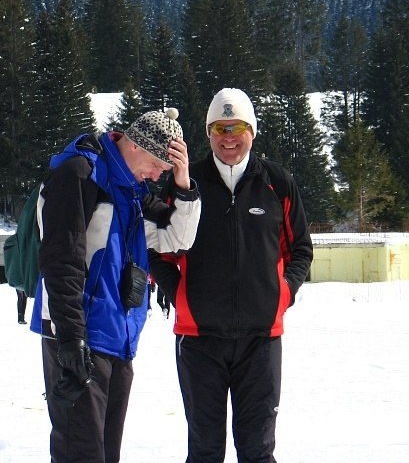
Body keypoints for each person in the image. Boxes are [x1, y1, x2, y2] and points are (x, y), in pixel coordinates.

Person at [150, 88, 313, 463]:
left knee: (258, 451)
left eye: (236, 127)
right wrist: (181, 295)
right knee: (205, 451)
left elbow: (300, 249)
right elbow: (157, 248)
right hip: (199, 341)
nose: (228, 137)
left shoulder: (277, 183)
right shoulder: (186, 183)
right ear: (209, 133)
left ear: (252, 131)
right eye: (219, 128)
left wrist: (282, 294)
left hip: (261, 341)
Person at [30, 108, 201, 463]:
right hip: (78, 334)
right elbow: (61, 261)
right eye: (157, 166)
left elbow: (178, 238)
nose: (157, 176)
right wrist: (71, 340)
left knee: (106, 454)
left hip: (117, 338)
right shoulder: (80, 174)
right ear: (136, 145)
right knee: (80, 453)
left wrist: (184, 184)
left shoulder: (134, 191)